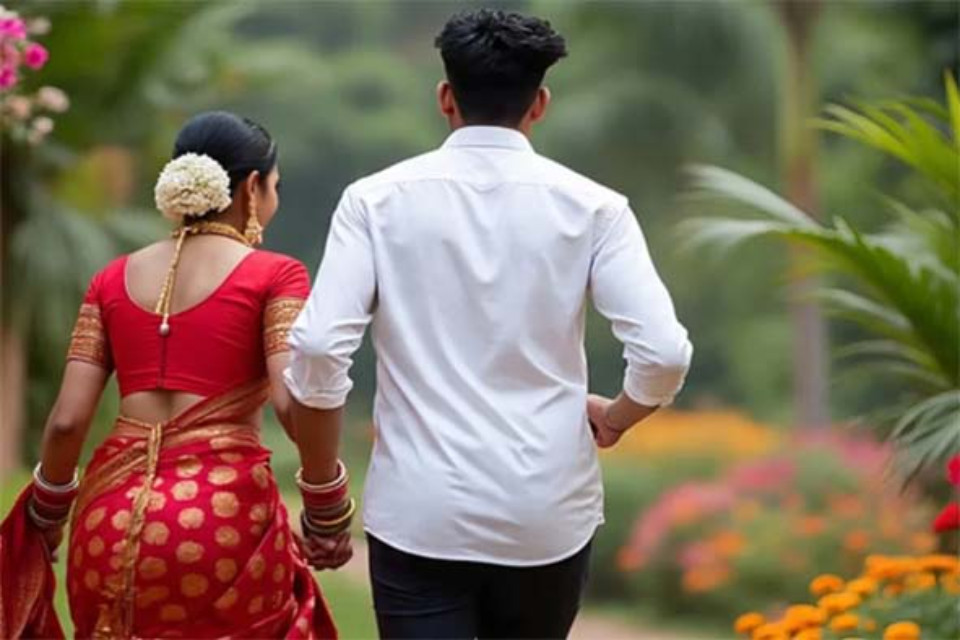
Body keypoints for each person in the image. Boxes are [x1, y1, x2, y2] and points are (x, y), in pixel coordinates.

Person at [286, 8, 693, 640]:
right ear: (541, 103)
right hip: (548, 516)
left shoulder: (374, 200)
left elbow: (316, 346)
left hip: (419, 513)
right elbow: (664, 352)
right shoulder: (595, 209)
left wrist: (321, 482)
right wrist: (615, 418)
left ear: (445, 97)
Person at [0, 111, 348, 639]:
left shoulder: (110, 279)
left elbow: (68, 421)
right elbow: (289, 403)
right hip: (221, 520)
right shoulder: (276, 275)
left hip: (107, 522)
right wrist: (327, 507)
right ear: (252, 188)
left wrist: (47, 517)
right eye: (274, 187)